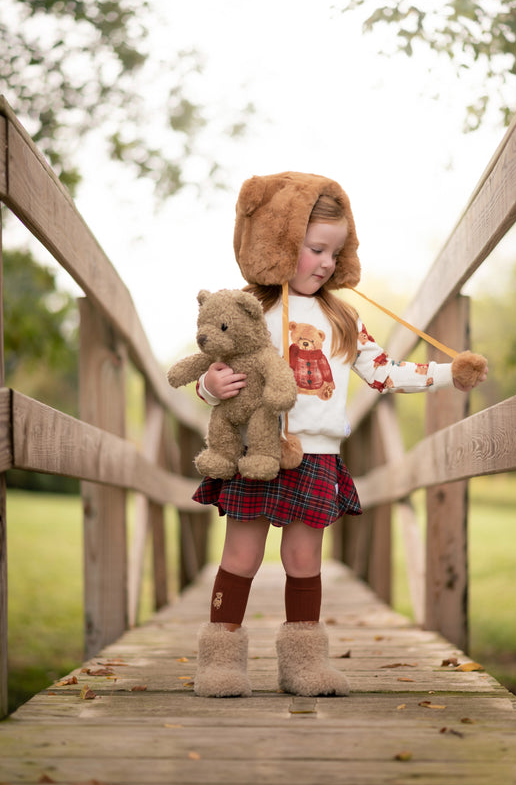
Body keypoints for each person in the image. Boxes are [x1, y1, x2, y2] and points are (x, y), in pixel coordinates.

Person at [190, 171, 488, 698]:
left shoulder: (343, 317)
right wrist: (211, 388)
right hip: (255, 452)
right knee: (241, 556)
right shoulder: (247, 310)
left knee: (304, 561)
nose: (326, 263)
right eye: (314, 249)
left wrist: (448, 373)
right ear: (280, 243)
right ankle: (220, 660)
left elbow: (385, 372)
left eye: (335, 252)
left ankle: (303, 664)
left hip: (316, 457)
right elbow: (213, 375)